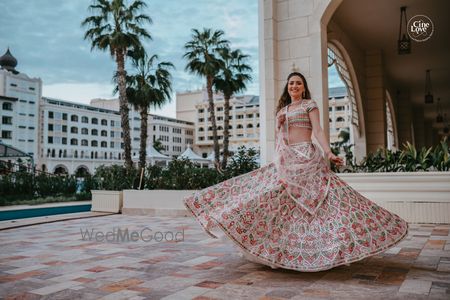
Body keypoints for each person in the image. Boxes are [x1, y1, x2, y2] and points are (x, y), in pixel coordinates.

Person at [184, 72, 408, 272]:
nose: (294, 86)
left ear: (303, 87)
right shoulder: (282, 111)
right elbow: (280, 139)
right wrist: (279, 125)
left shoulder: (309, 105)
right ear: (287, 87)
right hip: (287, 160)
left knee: (329, 200)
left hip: (308, 158)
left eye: (298, 83)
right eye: (291, 83)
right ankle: (269, 244)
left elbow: (318, 130)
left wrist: (328, 153)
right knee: (273, 197)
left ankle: (327, 246)